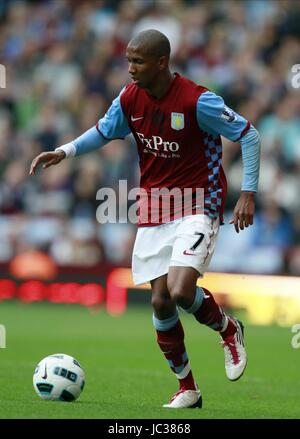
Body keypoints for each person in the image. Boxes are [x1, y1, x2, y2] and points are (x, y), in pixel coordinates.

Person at [30, 29, 261, 409]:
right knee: (159, 303)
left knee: (181, 291)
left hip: (198, 202)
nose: (131, 68)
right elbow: (104, 131)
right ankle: (187, 387)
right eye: (128, 61)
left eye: (138, 61)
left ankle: (228, 328)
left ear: (161, 62)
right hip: (154, 207)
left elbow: (249, 136)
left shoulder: (197, 100)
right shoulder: (129, 98)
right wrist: (65, 151)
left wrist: (248, 193)